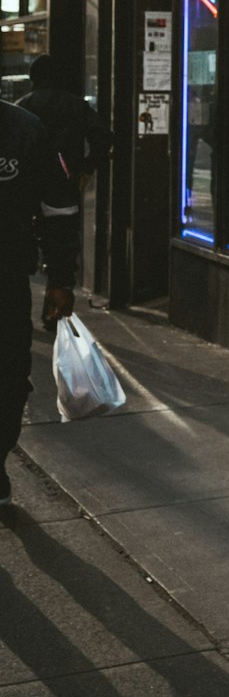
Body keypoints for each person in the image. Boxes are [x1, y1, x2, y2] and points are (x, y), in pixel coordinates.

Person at [0, 97, 80, 506]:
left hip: (7, 278)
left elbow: (60, 208)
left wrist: (61, 280)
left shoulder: (26, 131)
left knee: (10, 374)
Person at [17, 54, 113, 191]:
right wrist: (87, 168)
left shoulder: (22, 105)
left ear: (33, 77)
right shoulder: (76, 105)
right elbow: (103, 137)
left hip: (28, 179)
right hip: (66, 178)